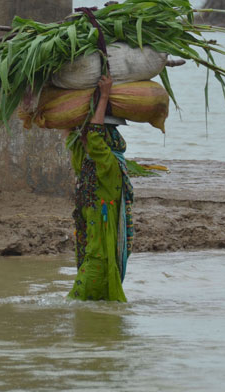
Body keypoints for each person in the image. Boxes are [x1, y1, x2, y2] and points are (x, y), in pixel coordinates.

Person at [66, 75, 134, 302]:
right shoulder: (87, 162)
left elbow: (94, 138)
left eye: (89, 131)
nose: (84, 135)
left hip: (101, 241)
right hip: (89, 235)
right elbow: (71, 138)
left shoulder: (110, 164)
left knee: (80, 294)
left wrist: (104, 95)